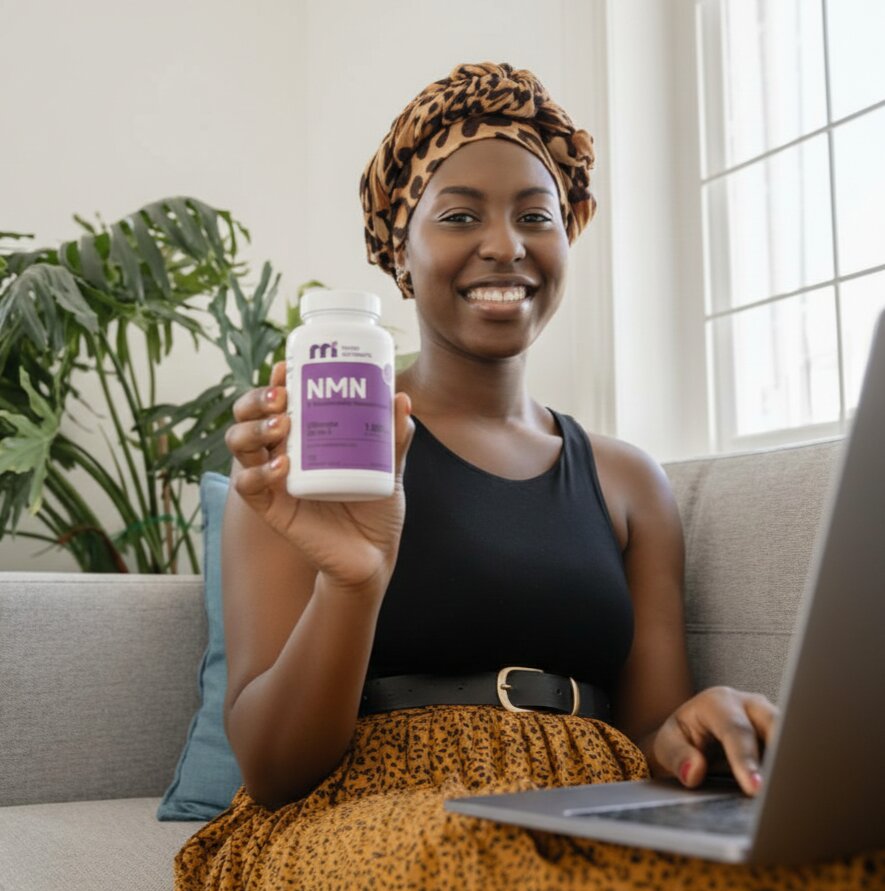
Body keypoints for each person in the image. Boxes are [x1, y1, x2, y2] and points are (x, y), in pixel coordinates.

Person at [174, 62, 883, 889]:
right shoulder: (313, 449)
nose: (504, 243)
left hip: (595, 800)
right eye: (459, 215)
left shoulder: (628, 481)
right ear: (399, 252)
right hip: (370, 809)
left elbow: (653, 729)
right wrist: (353, 581)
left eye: (535, 216)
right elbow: (274, 769)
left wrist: (694, 727)